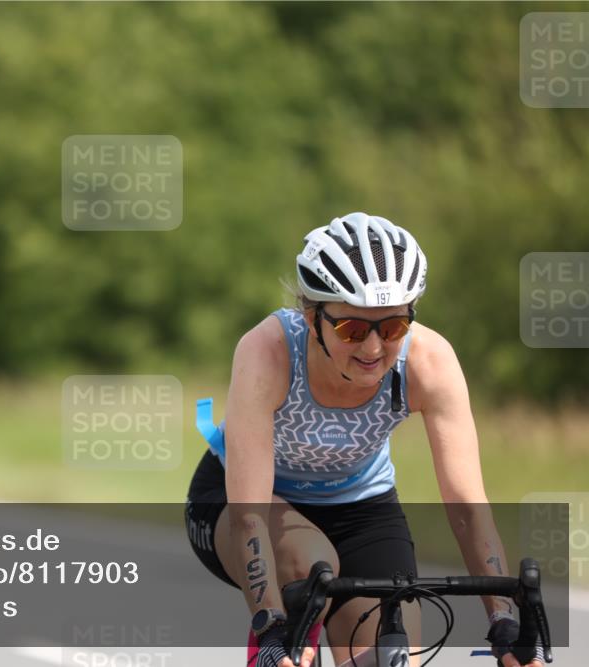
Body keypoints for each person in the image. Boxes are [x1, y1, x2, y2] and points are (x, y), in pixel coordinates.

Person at [184, 213, 544, 667]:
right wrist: (271, 624)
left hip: (361, 509)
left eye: (392, 327)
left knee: (390, 659)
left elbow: (468, 508)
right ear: (312, 315)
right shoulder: (268, 352)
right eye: (352, 329)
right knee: (310, 562)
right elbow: (249, 515)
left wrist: (504, 623)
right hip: (241, 504)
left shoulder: (429, 363)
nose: (373, 349)